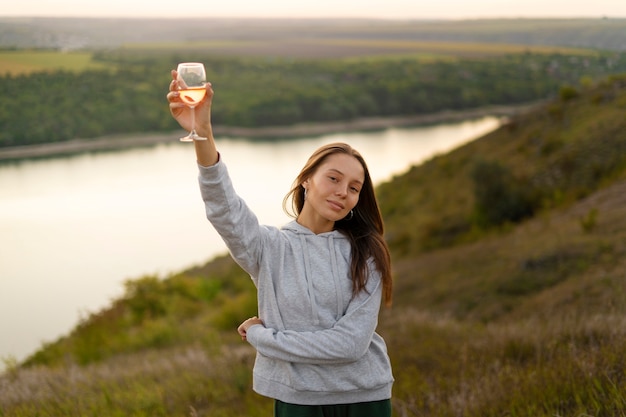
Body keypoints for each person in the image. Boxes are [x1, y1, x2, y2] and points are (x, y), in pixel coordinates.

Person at [167, 69, 394, 417]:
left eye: (353, 187)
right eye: (333, 178)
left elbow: (351, 345)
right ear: (306, 180)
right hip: (298, 400)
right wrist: (203, 134)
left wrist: (262, 337)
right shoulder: (269, 248)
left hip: (365, 397)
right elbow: (224, 208)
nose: (342, 192)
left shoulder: (368, 252)